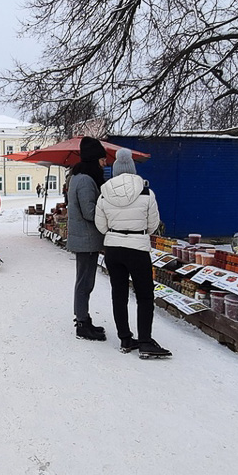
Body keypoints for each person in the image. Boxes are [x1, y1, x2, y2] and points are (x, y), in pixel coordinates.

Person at [96, 148, 170, 358]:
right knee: (145, 295)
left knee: (118, 294)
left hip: (113, 248)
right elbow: (153, 224)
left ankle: (125, 338)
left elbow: (101, 226)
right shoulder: (146, 192)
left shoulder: (104, 194)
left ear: (116, 170)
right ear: (133, 169)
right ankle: (145, 341)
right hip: (138, 248)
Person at [67, 136, 108, 341]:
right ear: (94, 159)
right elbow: (89, 212)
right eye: (102, 160)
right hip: (86, 239)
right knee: (85, 282)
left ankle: (83, 317)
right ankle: (82, 323)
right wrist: (107, 212)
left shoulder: (81, 176)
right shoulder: (84, 180)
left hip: (86, 238)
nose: (105, 163)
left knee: (85, 281)